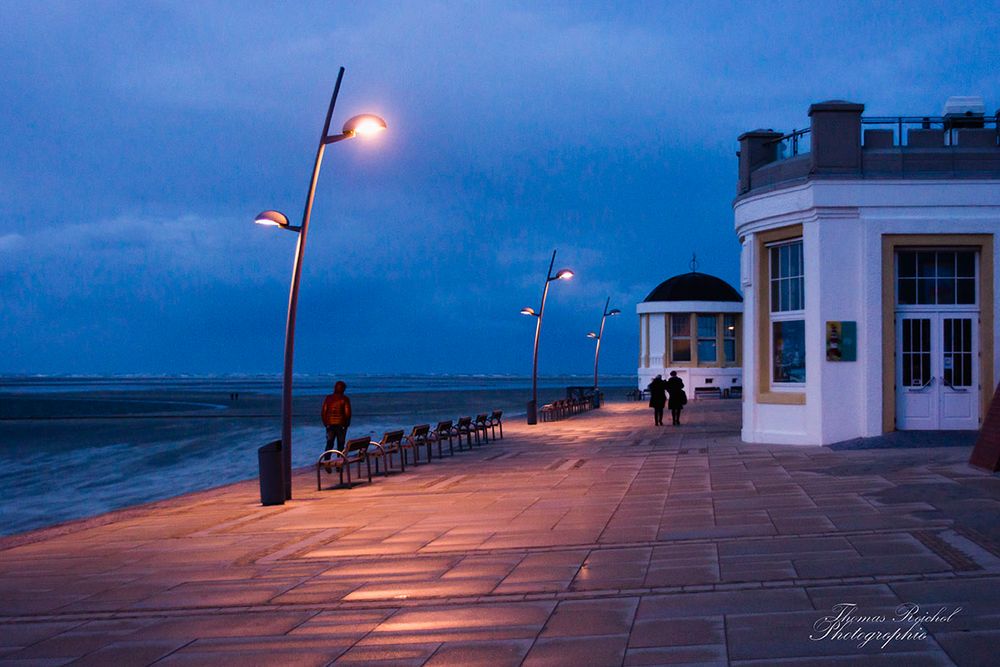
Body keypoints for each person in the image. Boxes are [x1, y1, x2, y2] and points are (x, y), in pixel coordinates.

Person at [321, 381, 352, 471]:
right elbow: (347, 413)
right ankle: (339, 465)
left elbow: (323, 412)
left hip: (329, 425)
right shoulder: (344, 399)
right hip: (341, 425)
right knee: (340, 445)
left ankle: (327, 462)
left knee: (329, 444)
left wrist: (326, 424)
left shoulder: (328, 398)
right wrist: (347, 424)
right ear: (342, 389)